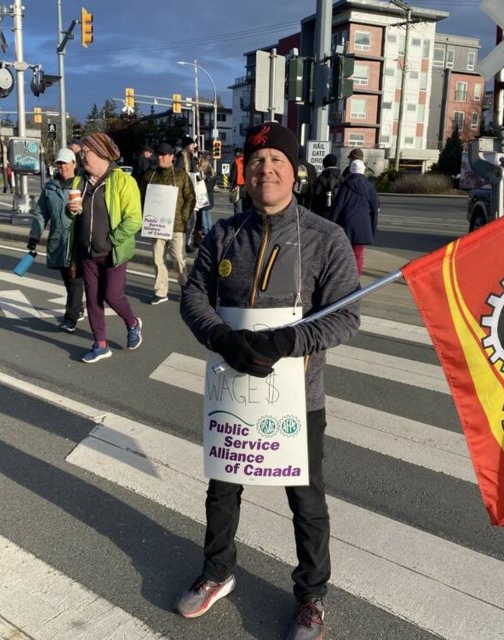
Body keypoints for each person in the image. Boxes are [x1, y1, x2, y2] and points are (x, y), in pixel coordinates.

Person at [176, 121, 360, 640]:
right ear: (246, 172)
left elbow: (346, 317)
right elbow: (193, 296)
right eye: (257, 162)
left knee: (306, 501)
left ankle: (312, 596)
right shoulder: (224, 233)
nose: (266, 169)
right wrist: (220, 337)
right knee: (222, 488)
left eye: (276, 161)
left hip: (298, 399)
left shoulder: (327, 239)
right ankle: (217, 573)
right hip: (232, 392)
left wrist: (286, 342)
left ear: (293, 170)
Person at [72, 132, 143, 364]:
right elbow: (72, 212)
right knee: (92, 300)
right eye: (81, 152)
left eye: (87, 152)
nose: (82, 157)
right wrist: (69, 211)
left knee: (112, 296)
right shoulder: (79, 181)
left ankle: (132, 323)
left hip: (112, 252)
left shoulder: (123, 181)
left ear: (102, 153)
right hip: (87, 252)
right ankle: (100, 344)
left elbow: (134, 219)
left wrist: (112, 239)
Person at [27, 148, 86, 333]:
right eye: (59, 164)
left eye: (65, 163)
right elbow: (41, 214)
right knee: (67, 277)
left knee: (75, 278)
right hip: (57, 239)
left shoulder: (83, 184)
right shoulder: (50, 187)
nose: (62, 167)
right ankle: (78, 307)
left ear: (74, 164)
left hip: (76, 238)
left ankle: (71, 317)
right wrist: (34, 236)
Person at [141, 142, 196, 305]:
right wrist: (145, 217)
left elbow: (190, 198)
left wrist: (183, 218)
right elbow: (142, 197)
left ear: (172, 157)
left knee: (178, 258)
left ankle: (185, 286)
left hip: (176, 226)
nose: (160, 157)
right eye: (158, 154)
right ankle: (160, 291)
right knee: (158, 258)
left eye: (164, 155)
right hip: (155, 225)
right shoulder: (149, 174)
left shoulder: (181, 175)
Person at [329, 158, 379, 277]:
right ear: (363, 171)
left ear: (351, 170)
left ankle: (346, 275)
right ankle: (356, 276)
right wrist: (373, 227)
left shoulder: (346, 185)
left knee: (346, 252)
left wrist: (331, 224)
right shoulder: (370, 187)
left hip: (346, 223)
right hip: (363, 224)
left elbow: (338, 206)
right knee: (358, 253)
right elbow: (374, 209)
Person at [188, 153, 215, 254]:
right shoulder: (212, 171)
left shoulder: (203, 173)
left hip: (204, 195)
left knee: (203, 214)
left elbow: (201, 183)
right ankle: (208, 230)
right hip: (210, 195)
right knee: (207, 214)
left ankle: (205, 231)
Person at [310, 153, 342, 220]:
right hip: (337, 212)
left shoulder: (321, 178)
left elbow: (316, 195)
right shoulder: (341, 178)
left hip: (322, 212)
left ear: (325, 163)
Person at [227, 149, 246, 214]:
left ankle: (238, 222)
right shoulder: (247, 162)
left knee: (237, 208)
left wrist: (229, 180)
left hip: (237, 187)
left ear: (237, 153)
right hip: (247, 187)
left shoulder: (236, 163)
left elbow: (232, 178)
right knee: (246, 208)